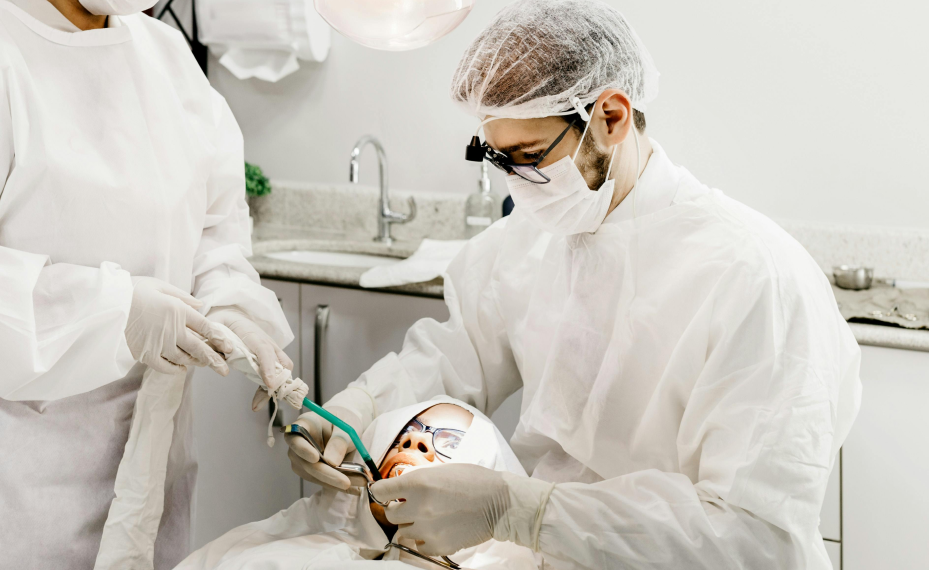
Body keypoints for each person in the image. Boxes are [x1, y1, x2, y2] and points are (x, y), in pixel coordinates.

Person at [285, 1, 862, 569]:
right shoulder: (533, 237)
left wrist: (519, 511)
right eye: (498, 158)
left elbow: (754, 538)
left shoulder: (755, 278)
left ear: (611, 116)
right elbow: (459, 355)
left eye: (531, 157)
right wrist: (359, 407)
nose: (516, 185)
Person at [0, 0, 292, 568]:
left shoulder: (166, 57)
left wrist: (230, 303)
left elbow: (215, 228)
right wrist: (113, 312)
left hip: (149, 472)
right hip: (3, 488)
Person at [176, 398, 540, 570]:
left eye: (448, 441)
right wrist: (357, 402)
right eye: (407, 434)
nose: (416, 441)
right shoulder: (262, 548)